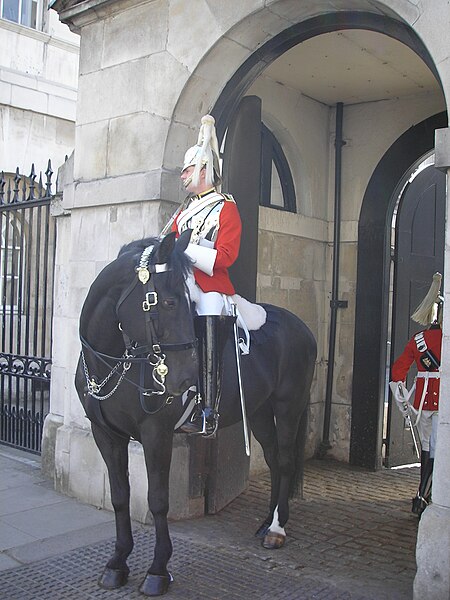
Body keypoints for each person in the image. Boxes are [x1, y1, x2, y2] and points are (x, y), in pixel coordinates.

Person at [162, 114, 243, 436]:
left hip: (211, 286)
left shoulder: (225, 208)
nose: (182, 176)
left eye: (187, 169)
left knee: (209, 309)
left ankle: (208, 410)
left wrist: (185, 251)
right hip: (181, 282)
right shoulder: (182, 211)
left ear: (204, 170)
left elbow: (226, 257)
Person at [390, 272, 442, 516]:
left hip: (422, 402)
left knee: (427, 449)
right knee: (438, 448)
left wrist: (403, 402)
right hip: (444, 402)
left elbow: (398, 371)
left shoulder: (418, 339)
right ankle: (427, 495)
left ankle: (424, 493)